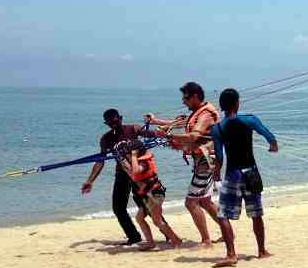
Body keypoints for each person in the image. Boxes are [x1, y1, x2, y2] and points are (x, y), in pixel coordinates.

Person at [209, 88, 278, 268]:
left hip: (233, 174)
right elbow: (268, 135)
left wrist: (216, 171)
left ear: (222, 107)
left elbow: (219, 156)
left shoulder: (217, 128)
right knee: (256, 214)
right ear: (237, 104)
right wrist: (273, 145)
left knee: (223, 214)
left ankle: (231, 254)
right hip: (251, 172)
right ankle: (262, 251)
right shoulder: (249, 120)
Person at [145, 82, 220, 248]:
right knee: (206, 201)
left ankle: (206, 241)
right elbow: (177, 123)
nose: (183, 102)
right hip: (203, 161)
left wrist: (171, 137)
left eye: (185, 98)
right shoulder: (196, 113)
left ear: (194, 97)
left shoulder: (205, 115)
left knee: (191, 202)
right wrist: (156, 121)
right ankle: (227, 230)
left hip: (206, 162)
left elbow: (194, 135)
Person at [81, 108, 149, 245]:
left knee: (148, 205)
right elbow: (101, 160)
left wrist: (168, 135)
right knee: (118, 208)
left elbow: (152, 134)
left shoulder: (133, 129)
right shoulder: (106, 139)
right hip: (122, 174)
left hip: (138, 172)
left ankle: (167, 234)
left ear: (121, 118)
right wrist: (90, 181)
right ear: (106, 124)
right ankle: (134, 237)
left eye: (116, 121)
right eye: (110, 123)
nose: (114, 125)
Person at [112, 139, 183, 251]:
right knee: (140, 218)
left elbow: (135, 172)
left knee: (157, 221)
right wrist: (122, 160)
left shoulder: (143, 163)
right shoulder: (138, 161)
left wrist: (133, 156)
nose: (129, 155)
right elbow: (131, 174)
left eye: (130, 152)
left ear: (137, 152)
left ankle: (176, 240)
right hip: (148, 196)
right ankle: (150, 243)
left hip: (155, 195)